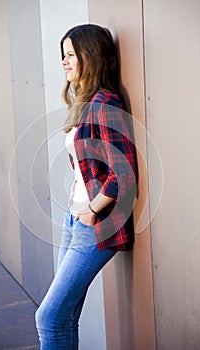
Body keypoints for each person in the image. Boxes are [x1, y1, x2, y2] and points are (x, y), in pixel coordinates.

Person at [35, 24, 138, 349]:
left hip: (96, 225)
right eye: (62, 55)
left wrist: (91, 211)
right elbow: (90, 163)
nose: (64, 62)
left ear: (89, 56)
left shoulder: (105, 103)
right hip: (76, 217)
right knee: (66, 316)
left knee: (49, 317)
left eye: (70, 55)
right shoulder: (87, 101)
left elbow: (124, 172)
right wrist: (77, 193)